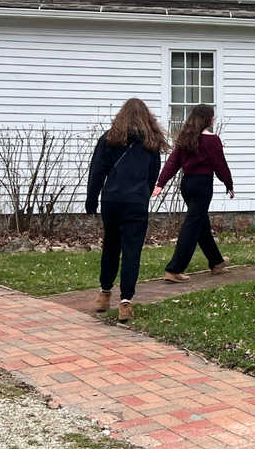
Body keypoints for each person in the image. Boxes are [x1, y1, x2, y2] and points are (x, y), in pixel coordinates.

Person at [86, 98, 166, 321]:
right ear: (146, 117)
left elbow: (97, 171)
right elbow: (153, 175)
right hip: (136, 201)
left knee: (111, 244)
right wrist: (143, 195)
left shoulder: (109, 138)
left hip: (111, 200)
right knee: (132, 250)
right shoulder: (151, 142)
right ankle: (126, 302)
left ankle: (104, 294)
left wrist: (91, 201)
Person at [152, 103, 234, 282]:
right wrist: (229, 184)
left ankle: (216, 262)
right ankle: (174, 269)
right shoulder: (212, 140)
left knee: (200, 223)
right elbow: (220, 165)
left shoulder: (186, 137)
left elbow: (173, 162)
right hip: (202, 186)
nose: (214, 119)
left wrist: (161, 182)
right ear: (207, 119)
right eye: (212, 116)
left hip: (187, 184)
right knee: (192, 225)